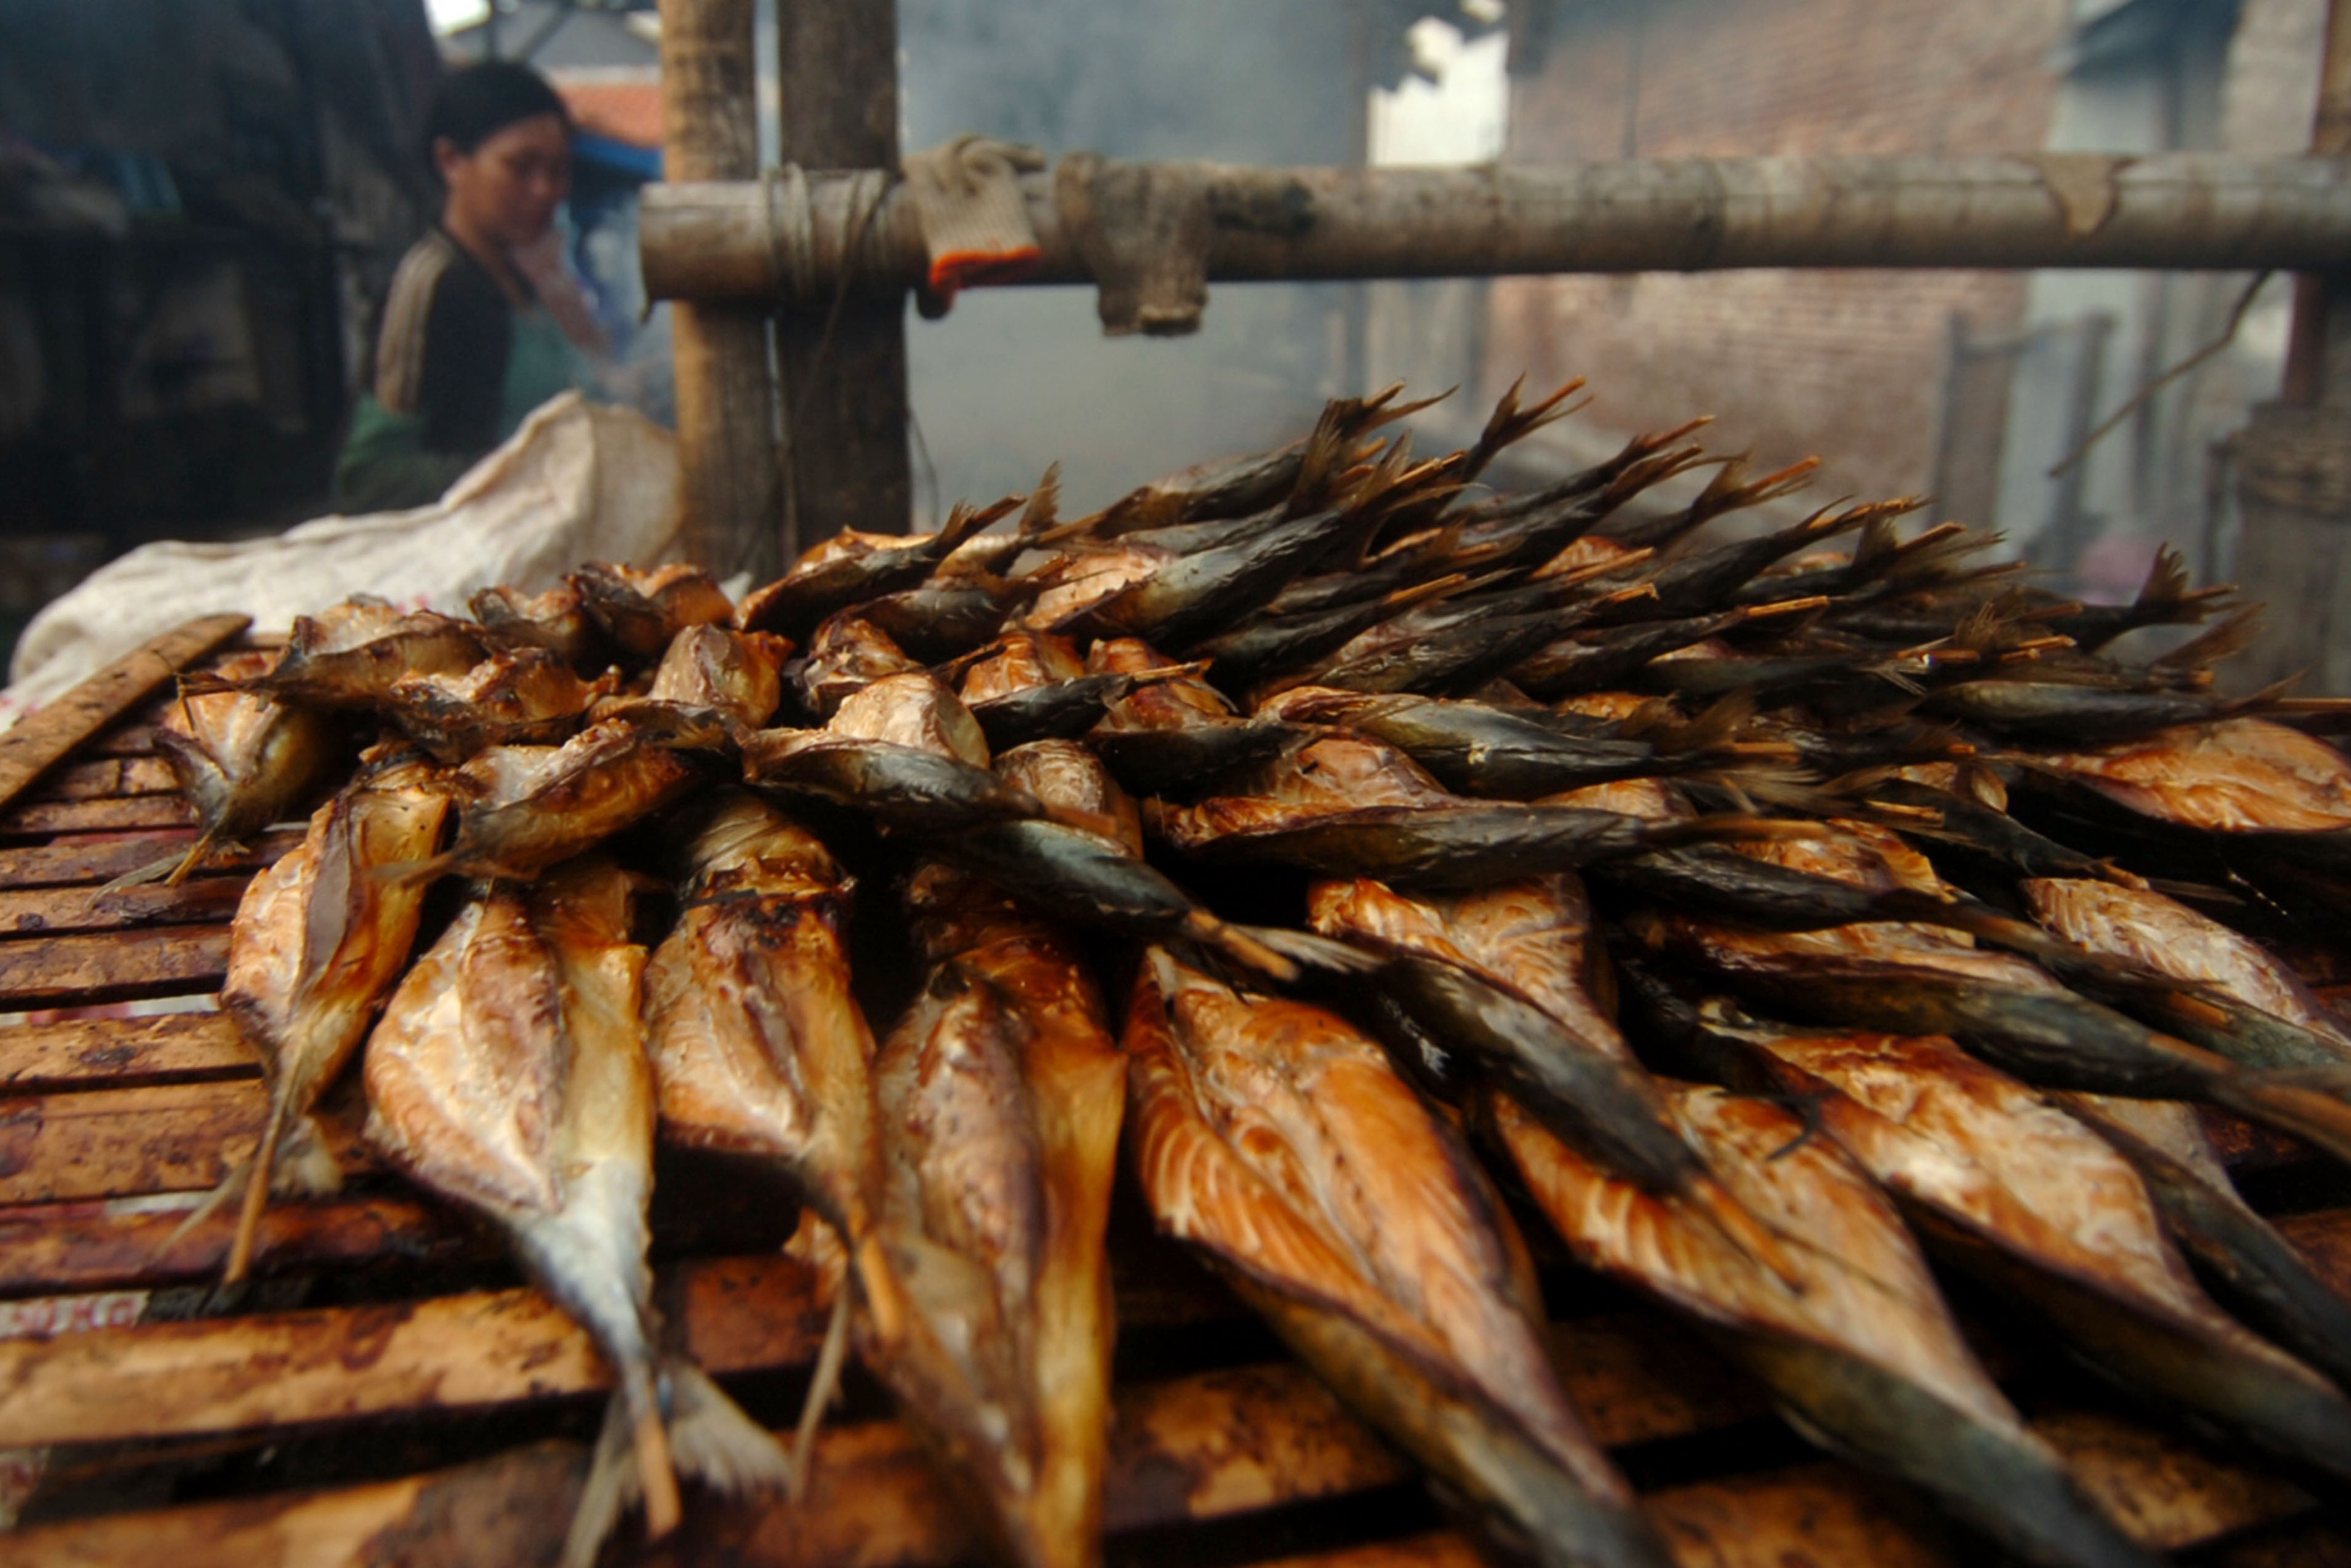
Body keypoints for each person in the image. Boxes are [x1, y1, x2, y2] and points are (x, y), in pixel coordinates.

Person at [333, 62, 587, 514]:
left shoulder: (518, 283)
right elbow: (368, 477)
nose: (545, 190)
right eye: (521, 167)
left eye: (559, 171)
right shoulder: (431, 282)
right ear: (451, 160)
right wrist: (521, 471)